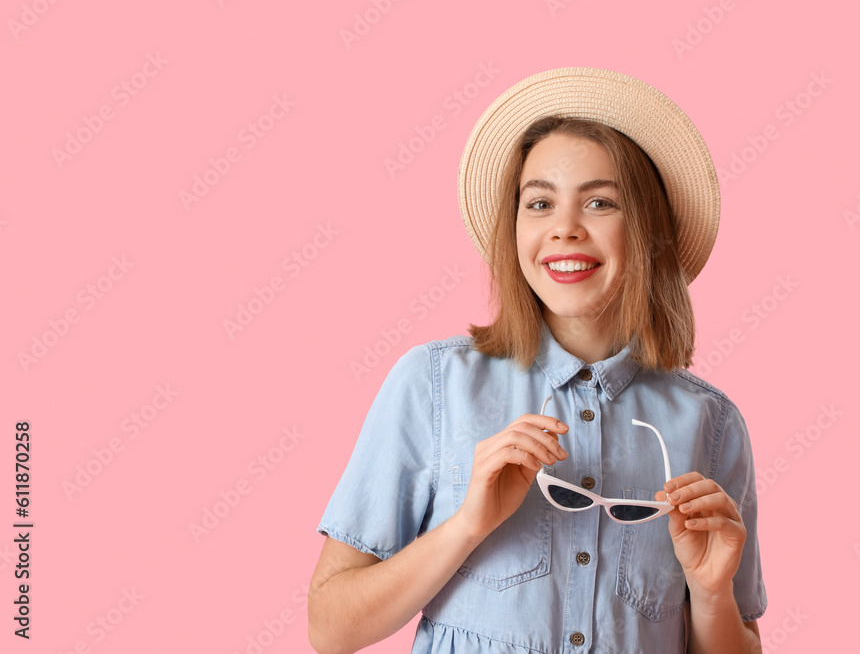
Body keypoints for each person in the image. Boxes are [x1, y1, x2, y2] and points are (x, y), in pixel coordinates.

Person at [308, 67, 766, 654]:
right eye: (540, 203)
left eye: (600, 202)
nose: (565, 229)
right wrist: (467, 524)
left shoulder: (713, 424)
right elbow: (330, 628)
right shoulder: (432, 384)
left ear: (647, 228)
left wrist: (710, 593)